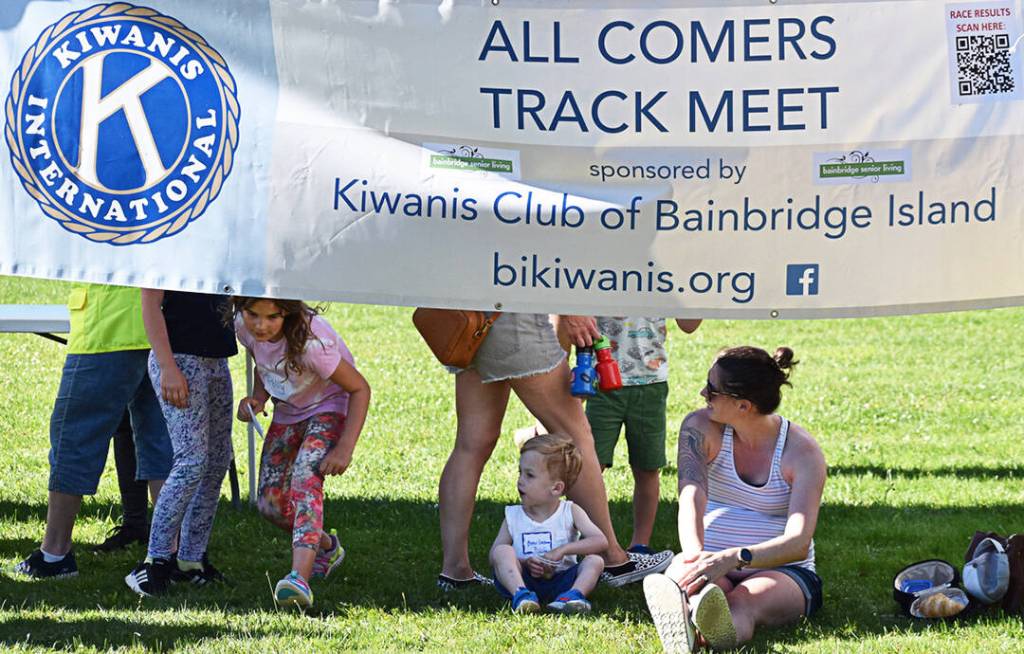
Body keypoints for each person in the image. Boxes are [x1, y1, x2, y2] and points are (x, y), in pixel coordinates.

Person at [437, 312, 672, 592]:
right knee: (575, 435)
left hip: (473, 319)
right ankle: (614, 560)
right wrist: (571, 313)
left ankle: (455, 571)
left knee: (470, 445)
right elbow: (537, 266)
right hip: (514, 318)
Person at [643, 346, 826, 651]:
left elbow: (798, 543)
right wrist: (695, 555)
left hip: (781, 571)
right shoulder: (700, 428)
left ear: (743, 406)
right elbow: (691, 493)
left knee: (742, 603)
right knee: (695, 586)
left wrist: (732, 558)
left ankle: (698, 633)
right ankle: (689, 613)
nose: (703, 393)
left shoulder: (803, 453)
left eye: (712, 391)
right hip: (709, 558)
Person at [14, 284, 172, 578]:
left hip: (107, 327)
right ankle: (168, 557)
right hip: (162, 329)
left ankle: (54, 553)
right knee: (161, 445)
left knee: (73, 439)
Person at [231, 297, 371, 609]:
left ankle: (299, 579)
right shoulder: (244, 327)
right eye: (253, 314)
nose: (260, 325)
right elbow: (264, 363)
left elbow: (360, 388)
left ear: (288, 313)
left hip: (328, 407)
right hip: (289, 410)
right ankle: (326, 546)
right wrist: (257, 398)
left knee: (305, 481)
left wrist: (345, 448)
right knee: (270, 504)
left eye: (272, 317)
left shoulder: (311, 344)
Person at [125, 290, 237, 596]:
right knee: (191, 462)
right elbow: (150, 304)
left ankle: (190, 560)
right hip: (179, 359)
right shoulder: (167, 244)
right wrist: (167, 366)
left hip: (216, 361)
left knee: (216, 462)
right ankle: (154, 562)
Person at [586, 317, 702, 554]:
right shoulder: (599, 277)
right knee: (589, 466)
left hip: (651, 384)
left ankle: (640, 545)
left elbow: (689, 324)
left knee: (648, 467)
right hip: (601, 382)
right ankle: (588, 540)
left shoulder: (665, 280)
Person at [490, 433, 607, 614]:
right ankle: (521, 596)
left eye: (529, 475)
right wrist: (524, 562)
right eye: (520, 472)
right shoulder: (513, 516)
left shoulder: (570, 511)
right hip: (523, 578)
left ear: (556, 488)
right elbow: (494, 556)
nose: (520, 480)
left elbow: (600, 541)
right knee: (502, 550)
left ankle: (572, 596)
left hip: (562, 579)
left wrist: (562, 551)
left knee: (595, 561)